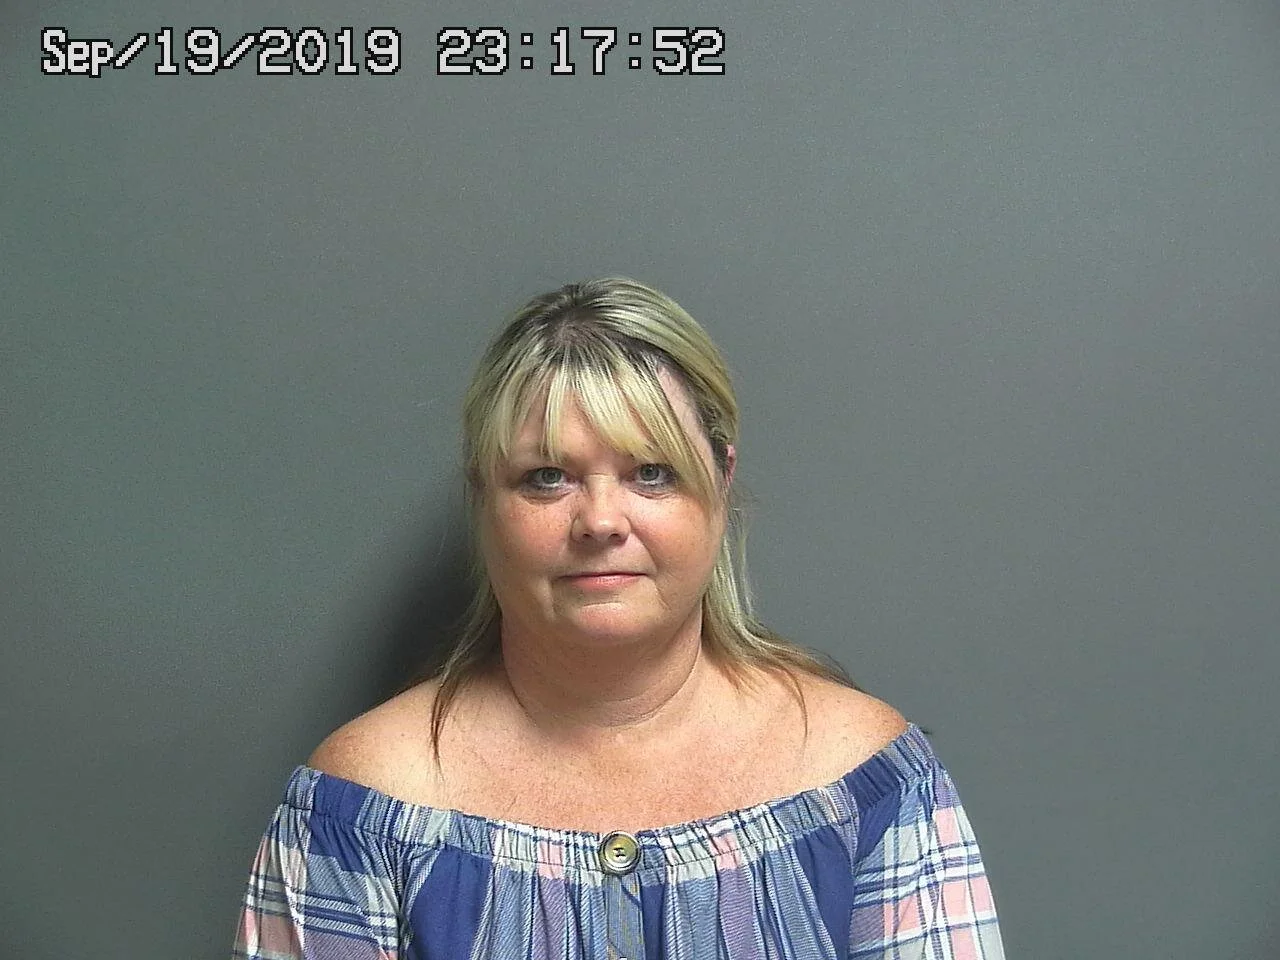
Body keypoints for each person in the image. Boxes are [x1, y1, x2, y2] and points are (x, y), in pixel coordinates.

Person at [230, 277, 1006, 959]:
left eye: (651, 472)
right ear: (483, 497)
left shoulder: (866, 781)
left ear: (721, 479)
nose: (600, 520)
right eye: (546, 478)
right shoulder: (364, 803)